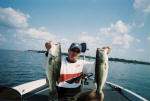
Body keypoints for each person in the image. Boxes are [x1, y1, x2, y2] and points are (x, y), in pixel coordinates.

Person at [43, 42, 111, 101]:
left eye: (77, 51)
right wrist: (48, 51)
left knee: (99, 94)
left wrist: (104, 53)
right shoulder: (59, 61)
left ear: (79, 53)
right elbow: (46, 65)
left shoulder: (82, 63)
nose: (75, 53)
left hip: (77, 94)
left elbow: (98, 66)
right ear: (69, 50)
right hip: (60, 93)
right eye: (73, 50)